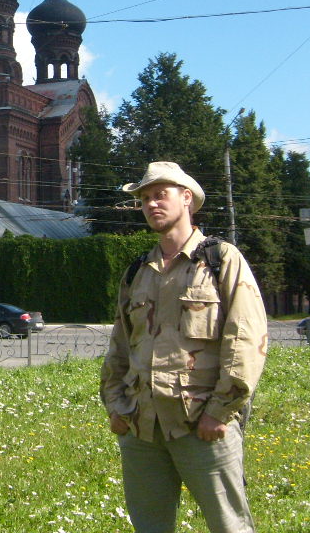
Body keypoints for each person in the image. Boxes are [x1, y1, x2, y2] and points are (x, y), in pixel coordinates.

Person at [101, 161, 269, 533]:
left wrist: (220, 411)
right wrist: (116, 406)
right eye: (144, 198)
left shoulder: (220, 260)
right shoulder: (137, 271)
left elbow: (246, 339)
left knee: (230, 526)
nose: (151, 204)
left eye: (160, 195)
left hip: (203, 426)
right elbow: (119, 347)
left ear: (187, 198)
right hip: (142, 428)